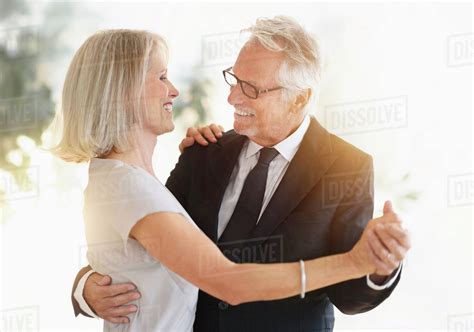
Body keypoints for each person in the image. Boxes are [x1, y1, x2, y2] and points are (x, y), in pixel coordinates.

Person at [69, 18, 410, 332]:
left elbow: (349, 297)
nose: (232, 96)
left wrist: (377, 264)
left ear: (299, 98)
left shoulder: (347, 166)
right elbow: (144, 248)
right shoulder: (203, 153)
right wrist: (86, 287)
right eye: (234, 79)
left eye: (250, 88)